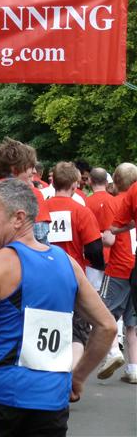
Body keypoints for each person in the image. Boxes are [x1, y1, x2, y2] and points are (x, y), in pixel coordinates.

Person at [0, 179, 116, 437]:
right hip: (51, 400)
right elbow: (107, 326)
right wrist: (78, 377)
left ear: (18, 218)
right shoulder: (67, 263)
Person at [45, 162, 105, 368]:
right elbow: (95, 249)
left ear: (53, 182)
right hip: (71, 276)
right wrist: (98, 270)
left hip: (41, 275)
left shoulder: (40, 209)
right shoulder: (81, 211)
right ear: (74, 185)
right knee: (77, 331)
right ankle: (69, 373)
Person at [99, 163, 137, 383]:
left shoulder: (115, 202)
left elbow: (110, 237)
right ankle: (133, 369)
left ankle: (113, 352)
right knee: (132, 322)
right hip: (135, 266)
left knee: (105, 314)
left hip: (119, 267)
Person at [0, 137, 52, 244]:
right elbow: (40, 238)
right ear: (15, 169)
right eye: (31, 167)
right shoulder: (33, 194)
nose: (34, 171)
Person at [87, 167, 114, 267]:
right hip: (113, 253)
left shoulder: (85, 202)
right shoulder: (115, 201)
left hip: (92, 253)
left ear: (90, 181)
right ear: (106, 182)